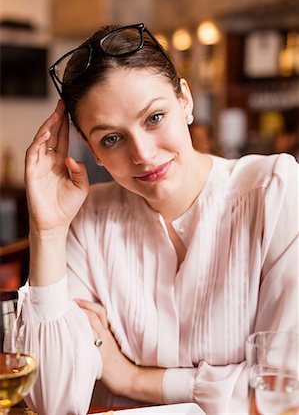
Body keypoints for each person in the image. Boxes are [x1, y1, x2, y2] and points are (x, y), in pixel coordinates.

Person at [19, 23, 298, 415]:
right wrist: (46, 231)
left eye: (154, 118)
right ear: (93, 151)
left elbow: (284, 391)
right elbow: (53, 402)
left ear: (184, 100)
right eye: (111, 139)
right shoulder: (85, 221)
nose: (144, 155)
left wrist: (133, 378)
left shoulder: (276, 191)